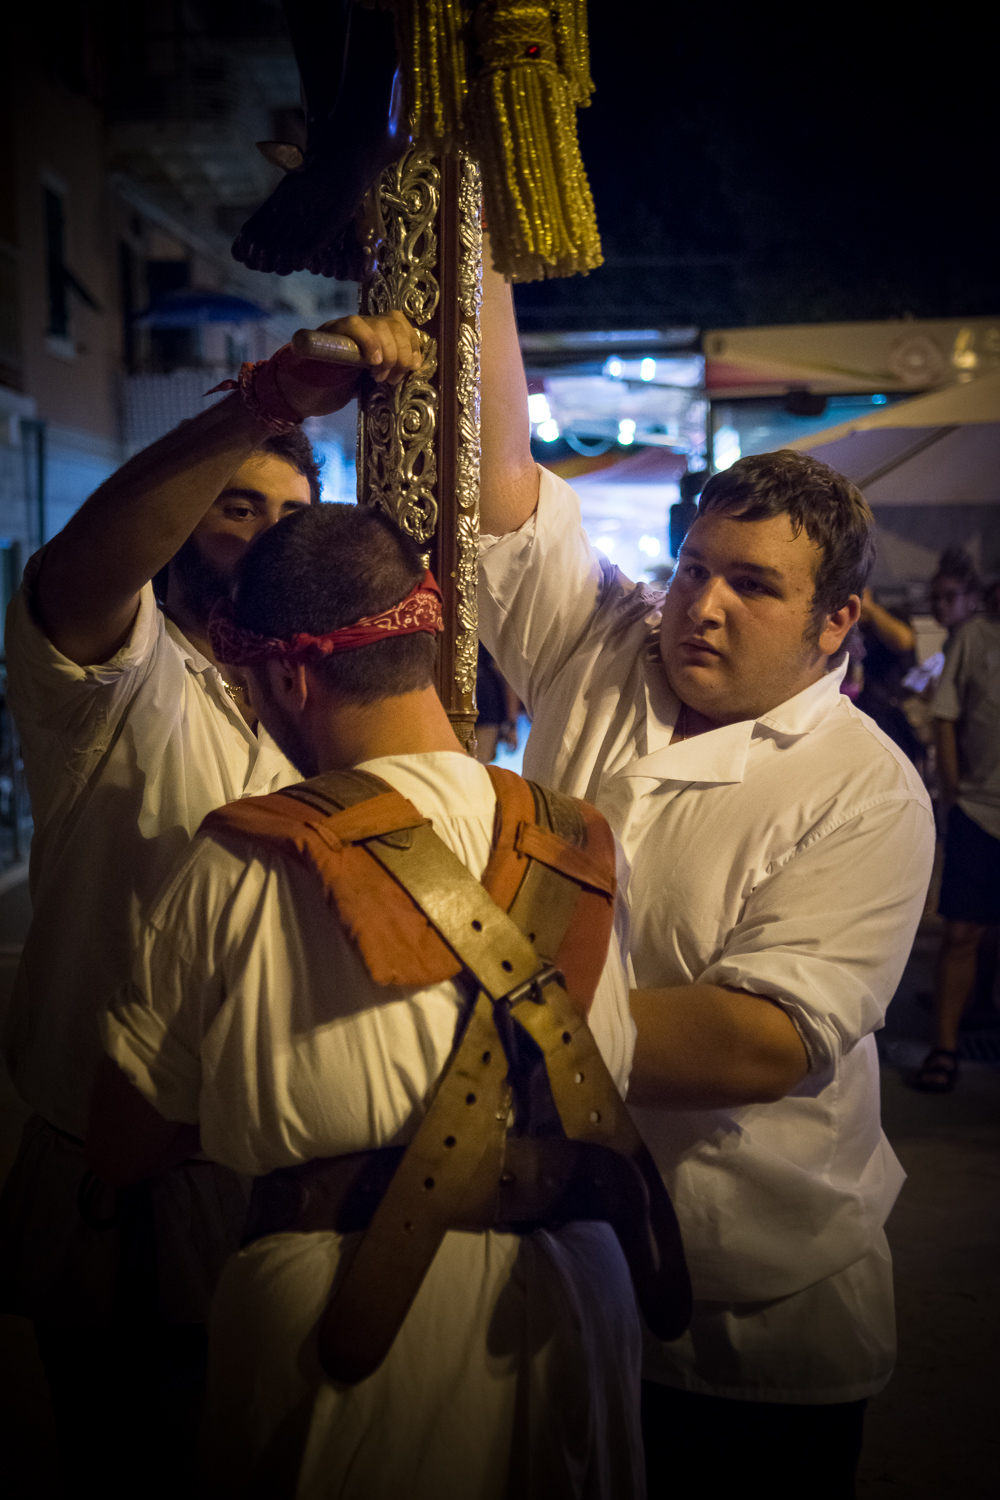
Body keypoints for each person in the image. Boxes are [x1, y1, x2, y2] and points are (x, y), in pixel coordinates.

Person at [475, 258, 934, 1498]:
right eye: (693, 568)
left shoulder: (865, 788)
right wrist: (488, 258)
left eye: (752, 586)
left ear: (837, 621)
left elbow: (758, 1042)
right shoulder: (606, 646)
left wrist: (480, 1031)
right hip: (560, 1259)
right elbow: (505, 486)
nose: (701, 608)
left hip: (751, 1307)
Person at [85, 501, 647, 1499]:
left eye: (252, 689)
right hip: (582, 1303)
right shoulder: (575, 838)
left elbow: (124, 1141)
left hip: (346, 1323)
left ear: (290, 676)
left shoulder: (245, 853)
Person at [0, 310, 423, 1494]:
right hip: (123, 1176)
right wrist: (262, 405)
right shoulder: (118, 670)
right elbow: (85, 568)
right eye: (237, 507)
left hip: (291, 1173)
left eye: (293, 514)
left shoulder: (316, 699)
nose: (267, 538)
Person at [916, 587, 1000, 1091]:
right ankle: (944, 1047)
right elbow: (944, 715)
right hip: (979, 808)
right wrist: (951, 791)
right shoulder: (974, 637)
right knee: (961, 933)